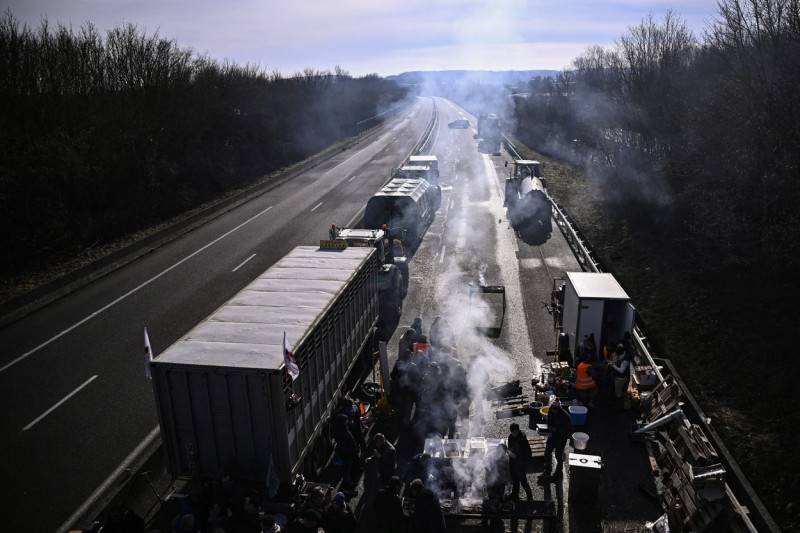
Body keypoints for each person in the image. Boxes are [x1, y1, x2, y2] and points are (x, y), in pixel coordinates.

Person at [538, 401, 573, 482]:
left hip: (561, 438)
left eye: (555, 410)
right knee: (547, 453)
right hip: (552, 436)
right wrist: (548, 427)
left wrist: (557, 430)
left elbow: (569, 430)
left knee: (558, 455)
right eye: (552, 409)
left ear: (559, 409)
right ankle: (547, 470)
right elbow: (549, 420)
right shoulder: (550, 411)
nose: (553, 411)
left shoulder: (565, 416)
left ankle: (558, 472)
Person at [390, 349, 421, 428]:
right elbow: (418, 380)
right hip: (409, 392)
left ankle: (397, 424)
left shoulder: (398, 364)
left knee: (398, 407)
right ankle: (405, 426)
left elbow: (392, 376)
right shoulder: (414, 367)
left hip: (399, 391)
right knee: (407, 411)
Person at [507, 423, 533, 501]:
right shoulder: (510, 437)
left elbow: (528, 453)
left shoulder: (522, 439)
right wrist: (509, 453)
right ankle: (515, 495)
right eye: (511, 432)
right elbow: (509, 447)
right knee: (515, 481)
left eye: (514, 433)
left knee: (524, 482)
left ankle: (530, 498)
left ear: (517, 431)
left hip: (522, 464)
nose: (513, 434)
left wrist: (517, 456)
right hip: (514, 463)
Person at [333, 413, 358, 490]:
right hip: (347, 456)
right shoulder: (342, 433)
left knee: (347, 470)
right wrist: (351, 453)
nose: (348, 421)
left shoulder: (342, 429)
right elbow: (344, 447)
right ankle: (347, 486)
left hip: (348, 455)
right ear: (343, 422)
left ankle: (348, 483)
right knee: (346, 471)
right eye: (346, 420)